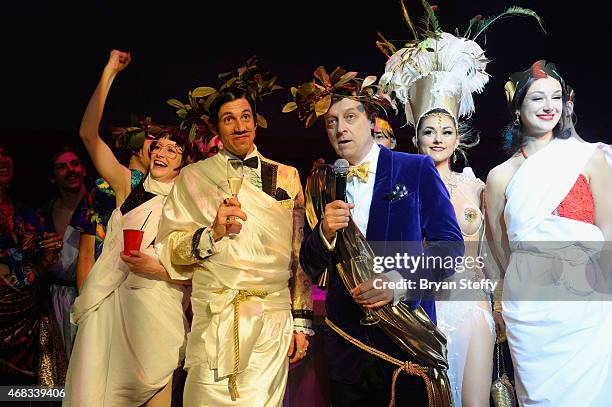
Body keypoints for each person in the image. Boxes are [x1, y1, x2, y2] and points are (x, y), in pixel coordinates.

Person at [288, 65, 463, 407]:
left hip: (404, 338)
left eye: (350, 117)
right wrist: (324, 231)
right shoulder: (322, 184)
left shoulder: (414, 169)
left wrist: (400, 282)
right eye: (331, 122)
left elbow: (451, 247)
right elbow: (309, 266)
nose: (341, 129)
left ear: (371, 120)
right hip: (347, 347)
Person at [155, 60, 313, 406]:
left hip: (271, 324)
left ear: (255, 121)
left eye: (245, 117)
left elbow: (301, 256)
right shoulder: (194, 178)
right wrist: (210, 233)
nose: (240, 126)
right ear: (216, 128)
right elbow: (171, 249)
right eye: (229, 119)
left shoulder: (286, 176)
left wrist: (301, 323)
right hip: (216, 318)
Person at [64, 50, 195, 406]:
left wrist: (160, 267)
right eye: (159, 146)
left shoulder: (189, 204)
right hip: (112, 311)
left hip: (158, 317)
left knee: (158, 393)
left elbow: (200, 267)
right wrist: (109, 73)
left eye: (173, 150)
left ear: (186, 164)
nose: (162, 152)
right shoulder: (129, 186)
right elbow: (88, 135)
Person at [486, 60, 612, 407]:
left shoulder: (589, 159)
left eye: (555, 97)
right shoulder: (500, 176)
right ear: (517, 108)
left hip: (589, 302)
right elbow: (500, 247)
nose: (548, 106)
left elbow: (608, 229)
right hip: (531, 307)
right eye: (537, 98)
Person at [382, 30, 496, 407]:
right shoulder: (402, 185)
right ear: (415, 138)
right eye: (428, 131)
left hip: (472, 305)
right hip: (422, 308)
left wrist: (500, 303)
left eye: (446, 131)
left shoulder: (477, 186)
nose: (438, 139)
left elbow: (496, 249)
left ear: (458, 138)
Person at [0, 143, 67, 386]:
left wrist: (49, 254)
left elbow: (38, 267)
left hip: (29, 323)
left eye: (6, 153)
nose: (3, 160)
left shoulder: (28, 213)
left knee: (32, 393)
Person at [39, 145, 87, 359]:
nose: (71, 170)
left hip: (91, 297)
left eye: (75, 164)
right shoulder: (43, 214)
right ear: (52, 178)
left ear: (84, 170)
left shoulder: (103, 206)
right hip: (55, 303)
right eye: (62, 167)